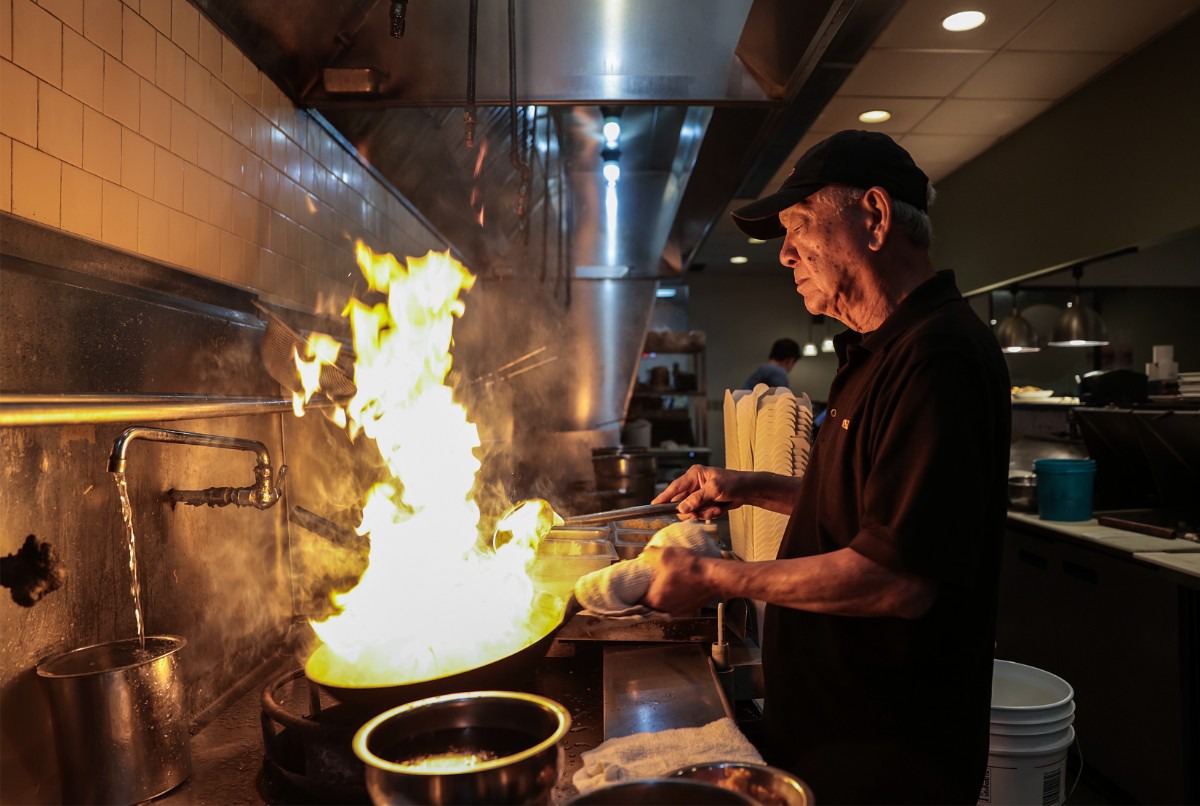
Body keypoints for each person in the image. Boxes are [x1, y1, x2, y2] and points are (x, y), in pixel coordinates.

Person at [644, 130, 1012, 804]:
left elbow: (897, 578)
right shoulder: (876, 353)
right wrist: (747, 486)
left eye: (799, 226)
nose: (785, 253)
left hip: (889, 756)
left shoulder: (940, 360)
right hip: (833, 735)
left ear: (874, 217)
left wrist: (712, 576)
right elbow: (862, 510)